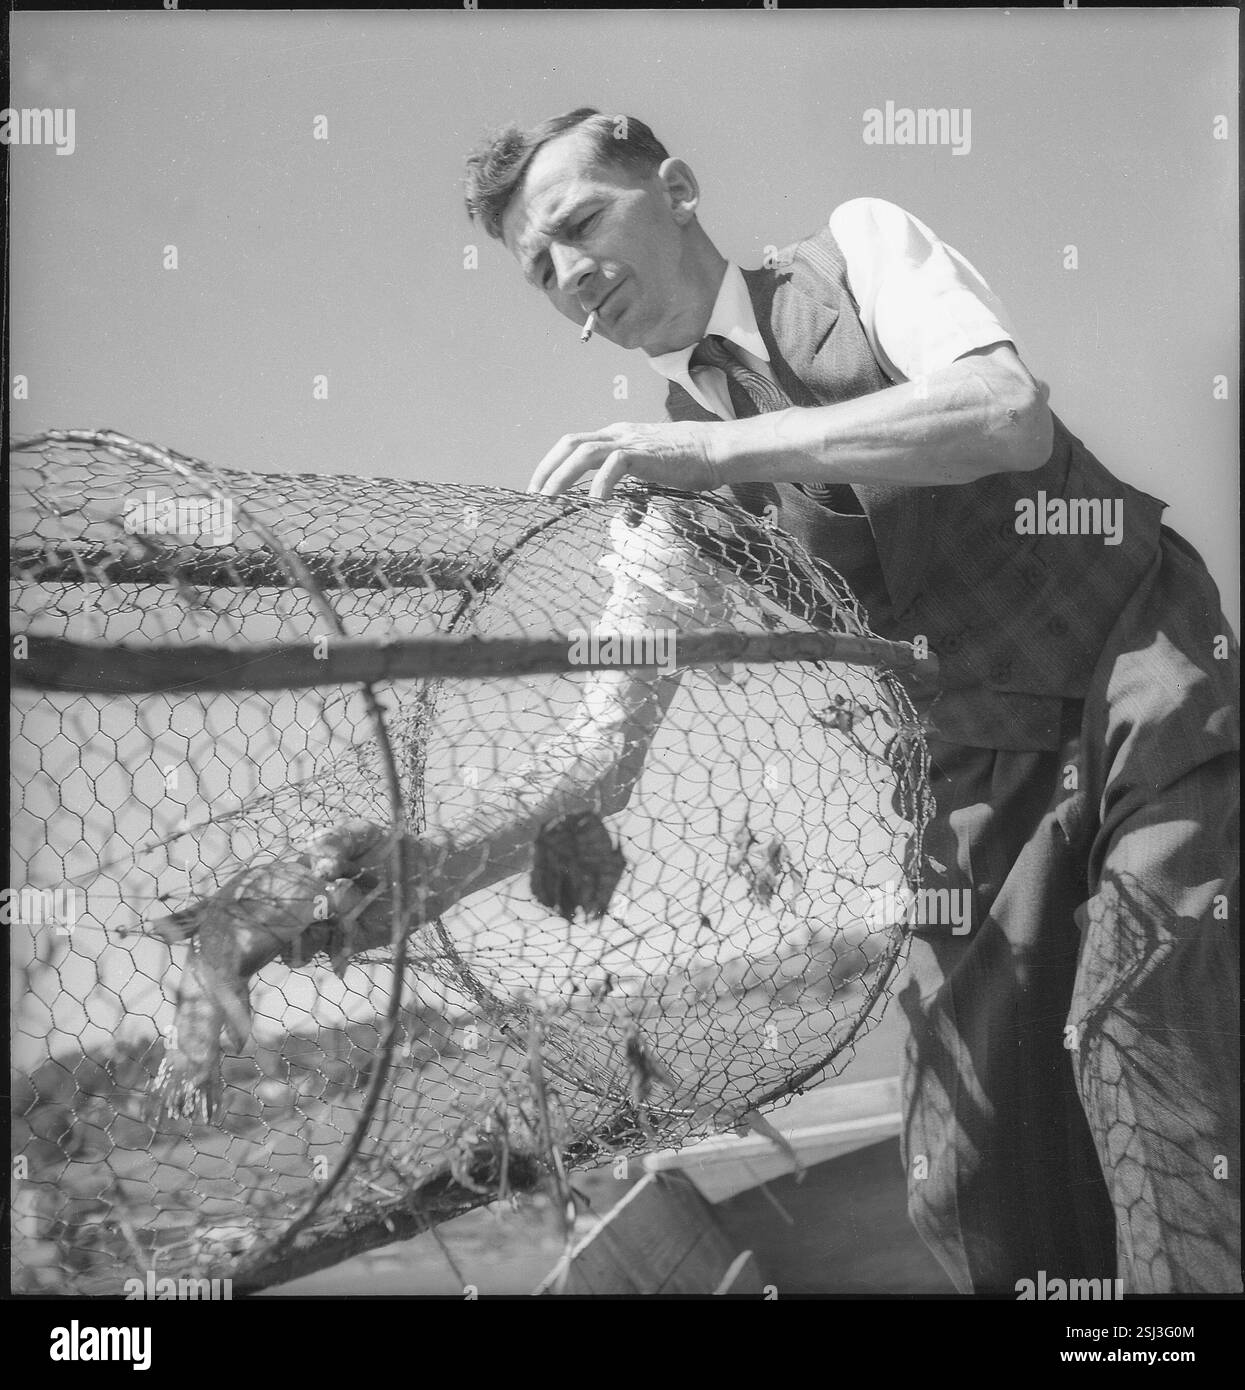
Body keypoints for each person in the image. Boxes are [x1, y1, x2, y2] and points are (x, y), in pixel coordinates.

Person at [448, 107, 1241, 1294]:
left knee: (1146, 1041)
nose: (569, 277)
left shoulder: (855, 253)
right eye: (538, 267)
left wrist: (722, 455)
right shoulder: (662, 477)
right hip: (976, 768)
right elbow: (613, 725)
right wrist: (516, 830)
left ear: (677, 185)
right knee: (974, 1175)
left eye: (579, 223)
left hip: (1138, 669)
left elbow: (1005, 418)